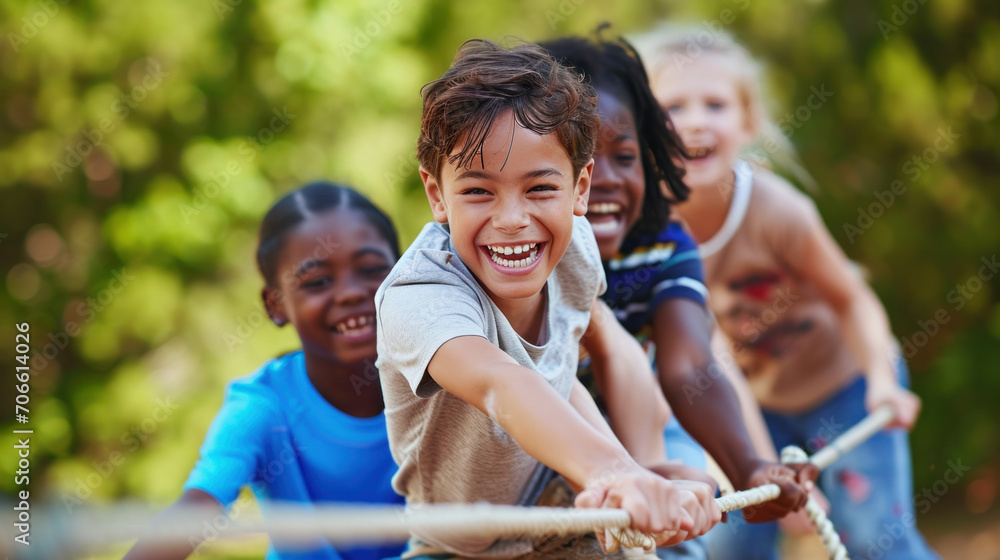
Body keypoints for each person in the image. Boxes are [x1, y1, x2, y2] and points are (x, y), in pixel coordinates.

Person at [375, 39, 720, 560]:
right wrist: (614, 470)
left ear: (580, 187)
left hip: (561, 503)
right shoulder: (420, 298)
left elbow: (557, 376)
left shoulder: (575, 251)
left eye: (539, 189)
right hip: (463, 548)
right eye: (477, 191)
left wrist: (629, 470)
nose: (512, 218)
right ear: (436, 194)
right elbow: (500, 384)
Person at [638, 27, 940, 560]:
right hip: (757, 406)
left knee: (873, 540)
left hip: (848, 389)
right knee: (733, 542)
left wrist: (880, 377)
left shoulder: (779, 211)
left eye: (715, 104)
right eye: (674, 106)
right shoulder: (654, 236)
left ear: (747, 122)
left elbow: (853, 299)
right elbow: (710, 362)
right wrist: (759, 462)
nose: (696, 120)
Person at [538, 35, 816, 560]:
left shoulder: (663, 242)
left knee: (682, 528)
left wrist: (747, 466)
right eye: (580, 159)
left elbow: (690, 367)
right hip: (533, 442)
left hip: (643, 436)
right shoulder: (516, 247)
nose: (606, 181)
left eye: (624, 156)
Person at [124, 182, 407, 560]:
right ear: (276, 304)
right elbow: (197, 508)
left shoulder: (446, 384)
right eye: (318, 281)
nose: (351, 293)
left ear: (405, 273)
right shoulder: (263, 407)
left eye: (372, 269)